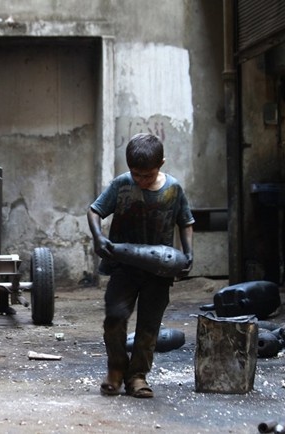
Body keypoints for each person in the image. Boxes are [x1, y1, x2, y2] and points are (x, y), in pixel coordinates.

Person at [87, 133, 194, 398]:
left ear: (161, 164)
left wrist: (189, 252)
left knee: (149, 327)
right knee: (115, 317)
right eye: (136, 174)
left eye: (148, 175)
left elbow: (186, 222)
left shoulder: (173, 189)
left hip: (158, 272)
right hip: (123, 268)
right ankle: (116, 369)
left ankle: (137, 376)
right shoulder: (122, 184)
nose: (142, 180)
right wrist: (98, 237)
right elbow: (94, 210)